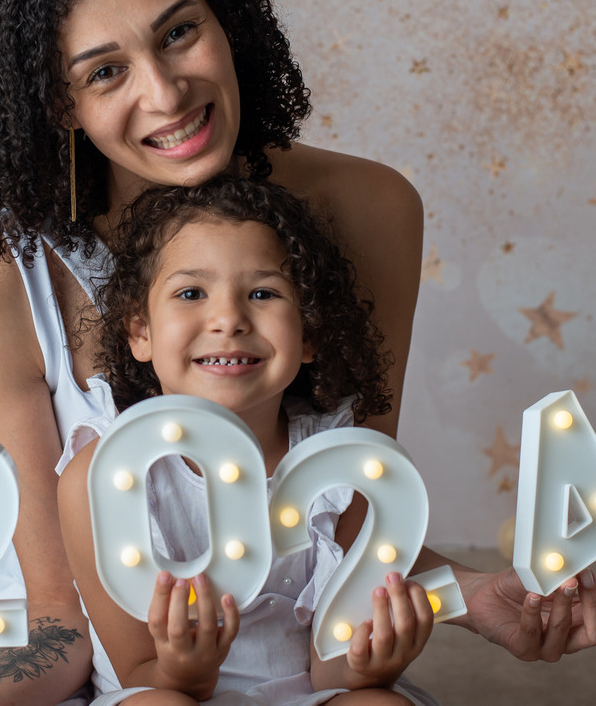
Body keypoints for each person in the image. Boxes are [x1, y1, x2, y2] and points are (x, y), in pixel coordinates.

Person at [0, 0, 596, 706]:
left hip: (307, 663)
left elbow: (345, 531)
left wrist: (471, 598)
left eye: (180, 32)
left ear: (228, 22)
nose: (168, 94)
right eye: (106, 72)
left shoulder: (370, 211)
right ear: (59, 105)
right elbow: (60, 620)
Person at [59, 175, 437, 705]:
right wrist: (186, 670)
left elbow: (329, 673)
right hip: (170, 690)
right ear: (140, 331)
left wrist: (371, 664)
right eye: (191, 293)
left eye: (262, 293)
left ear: (308, 336)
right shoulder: (106, 477)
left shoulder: (341, 469)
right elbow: (134, 669)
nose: (229, 319)